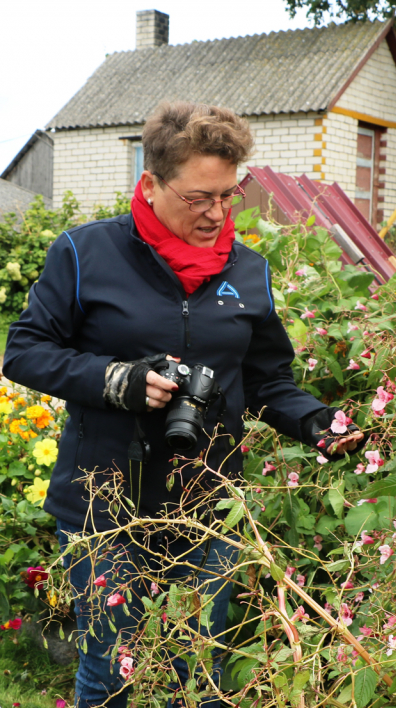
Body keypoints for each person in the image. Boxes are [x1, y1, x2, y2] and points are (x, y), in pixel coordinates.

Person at [3, 101, 365, 707]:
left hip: (206, 513)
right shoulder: (84, 254)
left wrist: (319, 423)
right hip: (102, 514)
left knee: (195, 681)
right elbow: (24, 351)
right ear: (151, 184)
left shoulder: (249, 272)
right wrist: (116, 380)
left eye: (229, 194)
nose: (218, 213)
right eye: (200, 197)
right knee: (110, 676)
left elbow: (267, 380)